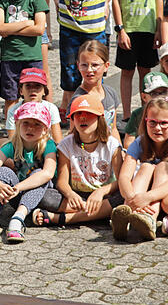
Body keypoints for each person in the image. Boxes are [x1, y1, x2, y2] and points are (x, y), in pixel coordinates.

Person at [37, 95, 122, 227]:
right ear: (72, 120)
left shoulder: (112, 144)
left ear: (100, 118)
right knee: (45, 196)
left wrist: (101, 192)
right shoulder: (66, 145)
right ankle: (99, 214)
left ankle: (62, 219)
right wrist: (70, 194)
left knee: (124, 196)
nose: (83, 118)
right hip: (78, 198)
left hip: (104, 195)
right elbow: (61, 182)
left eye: (89, 114)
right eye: (77, 115)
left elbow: (121, 181)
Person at [0, 102, 57, 243]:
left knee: (39, 173)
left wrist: (18, 188)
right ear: (17, 124)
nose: (31, 128)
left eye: (37, 124)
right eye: (25, 122)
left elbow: (48, 173)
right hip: (17, 195)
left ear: (45, 129)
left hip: (44, 196)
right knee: (2, 171)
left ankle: (17, 220)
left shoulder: (49, 145)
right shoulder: (11, 146)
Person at [116, 97, 168, 241]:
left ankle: (149, 218)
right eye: (153, 122)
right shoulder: (139, 142)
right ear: (145, 121)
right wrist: (132, 198)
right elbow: (124, 177)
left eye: (164, 123)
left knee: (163, 166)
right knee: (145, 167)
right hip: (142, 197)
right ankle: (130, 212)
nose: (157, 128)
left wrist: (147, 197)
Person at [0, 0, 49, 113]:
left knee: (34, 97)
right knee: (10, 97)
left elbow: (39, 29)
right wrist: (26, 23)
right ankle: (12, 132)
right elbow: (0, 28)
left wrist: (12, 29)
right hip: (10, 56)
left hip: (32, 56)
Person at [70, 40, 120, 134]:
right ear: (78, 65)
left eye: (95, 65)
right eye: (84, 65)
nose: (89, 70)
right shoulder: (79, 100)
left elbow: (113, 129)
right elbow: (74, 135)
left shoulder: (110, 93)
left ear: (106, 66)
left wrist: (119, 148)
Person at [5, 67, 62, 143]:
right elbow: (13, 140)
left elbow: (57, 139)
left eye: (37, 86)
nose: (33, 89)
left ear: (44, 91)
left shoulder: (51, 108)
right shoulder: (14, 111)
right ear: (21, 91)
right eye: (28, 86)